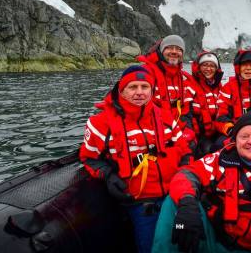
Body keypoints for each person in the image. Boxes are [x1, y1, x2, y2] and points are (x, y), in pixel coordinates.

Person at [79, 65, 194, 253]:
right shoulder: (100, 123)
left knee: (182, 237)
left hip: (173, 195)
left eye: (144, 87)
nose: (139, 92)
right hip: (140, 202)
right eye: (133, 87)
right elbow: (89, 158)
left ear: (152, 90)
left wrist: (184, 184)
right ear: (121, 90)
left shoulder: (166, 117)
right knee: (151, 246)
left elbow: (185, 152)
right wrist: (108, 175)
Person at [152, 111, 251, 252]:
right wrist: (187, 204)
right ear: (235, 141)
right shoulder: (220, 160)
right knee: (173, 202)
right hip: (218, 242)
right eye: (244, 136)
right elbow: (186, 174)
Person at [137, 34, 212, 146]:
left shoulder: (184, 78)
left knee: (192, 145)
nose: (174, 51)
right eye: (169, 48)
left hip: (178, 128)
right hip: (152, 130)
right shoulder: (145, 73)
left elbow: (186, 110)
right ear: (161, 51)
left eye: (178, 49)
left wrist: (188, 130)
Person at [191, 51, 224, 156]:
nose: (208, 69)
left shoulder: (219, 86)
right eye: (205, 65)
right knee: (208, 150)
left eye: (212, 66)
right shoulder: (190, 85)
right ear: (199, 67)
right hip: (200, 134)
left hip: (217, 131)